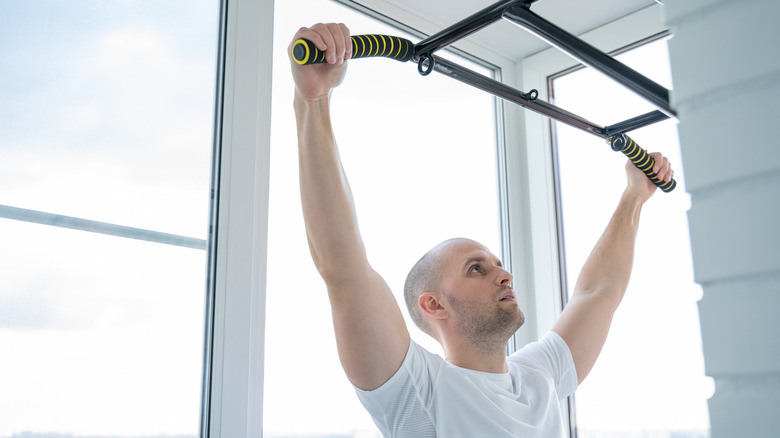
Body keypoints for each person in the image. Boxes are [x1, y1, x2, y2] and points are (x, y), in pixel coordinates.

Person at [289, 23, 674, 438]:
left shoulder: (539, 377)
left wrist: (634, 196)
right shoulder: (416, 391)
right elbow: (342, 267)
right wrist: (312, 100)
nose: (505, 275)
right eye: (477, 269)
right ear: (434, 305)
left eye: (497, 265)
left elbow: (599, 292)